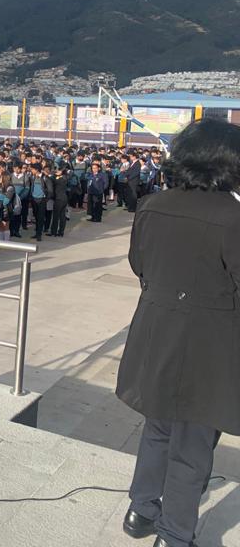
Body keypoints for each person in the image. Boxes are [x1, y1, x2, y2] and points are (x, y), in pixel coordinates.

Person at [116, 119, 238, 547]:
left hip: (156, 332)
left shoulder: (152, 204)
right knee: (193, 443)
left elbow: (140, 265)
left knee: (158, 426)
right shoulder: (233, 216)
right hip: (209, 345)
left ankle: (140, 510)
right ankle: (174, 533)